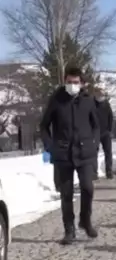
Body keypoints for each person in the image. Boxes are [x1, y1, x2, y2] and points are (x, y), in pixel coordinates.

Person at [39, 67, 100, 245]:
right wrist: (50, 145)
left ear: (81, 83)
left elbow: (96, 125)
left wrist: (94, 142)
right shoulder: (57, 100)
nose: (72, 85)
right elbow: (43, 126)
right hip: (63, 154)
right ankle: (69, 229)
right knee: (66, 194)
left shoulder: (88, 101)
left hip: (85, 153)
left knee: (88, 188)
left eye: (75, 82)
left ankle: (85, 220)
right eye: (69, 82)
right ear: (64, 82)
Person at [93, 90, 114, 179]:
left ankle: (109, 171)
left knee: (108, 152)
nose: (100, 97)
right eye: (98, 95)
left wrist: (109, 129)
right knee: (94, 153)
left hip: (105, 132)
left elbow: (111, 117)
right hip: (95, 132)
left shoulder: (106, 104)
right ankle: (94, 173)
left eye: (101, 95)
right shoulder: (92, 105)